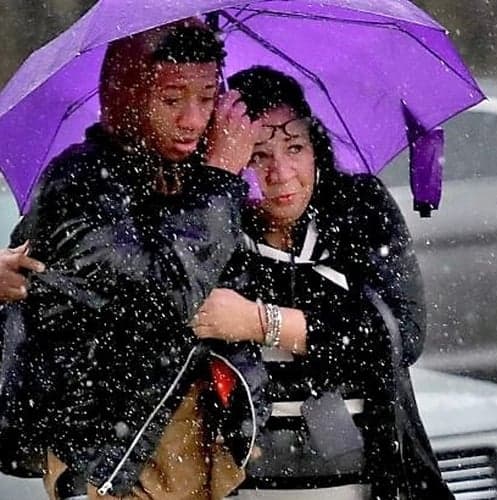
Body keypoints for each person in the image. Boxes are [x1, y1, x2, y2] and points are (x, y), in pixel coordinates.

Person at [0, 20, 264, 500]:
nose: (192, 118)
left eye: (207, 99)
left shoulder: (196, 179)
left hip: (200, 441)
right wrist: (220, 181)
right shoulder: (80, 180)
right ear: (128, 94)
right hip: (110, 454)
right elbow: (164, 297)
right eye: (171, 99)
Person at [192, 66, 454, 500]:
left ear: (316, 147)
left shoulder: (360, 210)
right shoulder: (210, 238)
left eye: (295, 147)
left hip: (381, 484)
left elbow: (400, 335)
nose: (281, 172)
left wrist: (261, 322)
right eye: (257, 155)